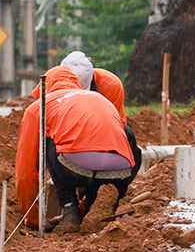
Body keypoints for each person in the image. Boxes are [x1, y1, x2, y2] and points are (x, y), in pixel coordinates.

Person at [15, 51, 142, 227]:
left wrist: (33, 219)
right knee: (124, 133)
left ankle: (70, 209)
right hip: (121, 171)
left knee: (51, 140)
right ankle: (99, 205)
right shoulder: (100, 97)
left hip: (74, 167)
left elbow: (26, 171)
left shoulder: (40, 106)